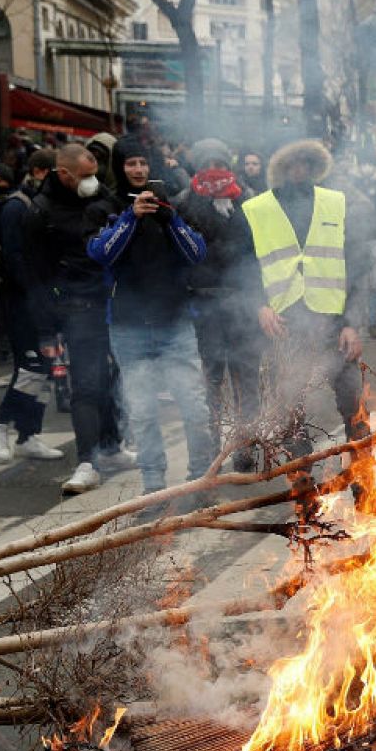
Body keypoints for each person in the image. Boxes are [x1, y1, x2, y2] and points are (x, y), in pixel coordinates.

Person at [240, 140, 374, 487]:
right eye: (292, 164)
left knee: (352, 402)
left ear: (316, 167)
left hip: (333, 324)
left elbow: (358, 268)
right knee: (290, 408)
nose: (299, 170)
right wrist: (260, 306)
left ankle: (365, 483)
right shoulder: (256, 209)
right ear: (280, 169)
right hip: (285, 325)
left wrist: (352, 324)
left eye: (306, 163)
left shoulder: (337, 203)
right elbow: (243, 265)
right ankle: (302, 488)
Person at [86, 136, 214, 497]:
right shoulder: (106, 208)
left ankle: (200, 479)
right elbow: (100, 253)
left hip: (175, 325)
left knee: (194, 408)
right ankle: (154, 485)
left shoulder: (171, 206)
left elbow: (197, 253)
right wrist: (130, 217)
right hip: (128, 330)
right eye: (130, 164)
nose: (138, 170)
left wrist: (169, 217)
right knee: (141, 413)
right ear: (119, 167)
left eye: (143, 163)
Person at [38, 144, 135, 493]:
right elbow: (37, 271)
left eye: (94, 174)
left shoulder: (105, 200)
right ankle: (87, 462)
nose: (91, 182)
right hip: (77, 306)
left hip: (111, 301)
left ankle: (111, 445)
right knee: (87, 384)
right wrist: (47, 327)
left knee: (113, 377)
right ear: (63, 174)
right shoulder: (43, 209)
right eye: (83, 176)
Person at [176, 138, 265, 472]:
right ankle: (212, 451)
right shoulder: (184, 203)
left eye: (222, 165)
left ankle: (246, 447)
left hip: (244, 303)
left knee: (247, 379)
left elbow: (259, 253)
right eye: (207, 165)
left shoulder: (249, 200)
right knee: (210, 383)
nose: (216, 172)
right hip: (204, 305)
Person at [0, 151, 63, 465]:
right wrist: (39, 295)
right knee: (31, 368)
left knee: (44, 371)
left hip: (42, 300)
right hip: (22, 302)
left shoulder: (41, 204)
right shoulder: (17, 207)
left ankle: (29, 434)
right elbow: (17, 261)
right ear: (40, 172)